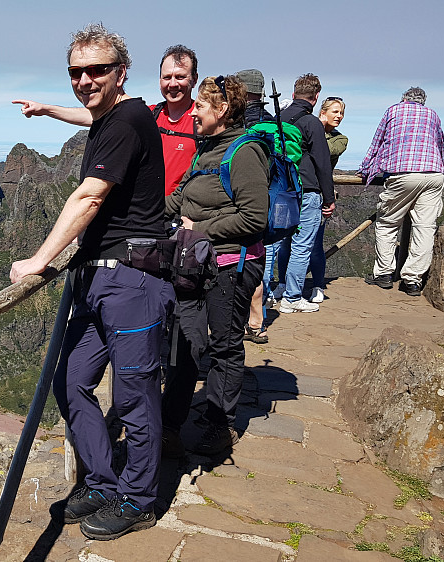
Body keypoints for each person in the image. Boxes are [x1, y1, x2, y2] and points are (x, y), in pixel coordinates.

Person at [10, 23, 175, 541]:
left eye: (97, 70)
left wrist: (38, 259)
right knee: (72, 381)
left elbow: (89, 197)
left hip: (132, 282)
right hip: (100, 281)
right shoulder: (117, 115)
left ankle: (138, 498)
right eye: (76, 72)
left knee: (133, 394)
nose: (85, 80)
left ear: (121, 72)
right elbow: (90, 114)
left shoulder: (125, 121)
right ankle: (102, 482)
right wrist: (47, 109)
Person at [162, 75, 268, 456]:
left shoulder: (244, 153)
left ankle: (220, 427)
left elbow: (255, 217)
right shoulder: (205, 151)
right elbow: (181, 200)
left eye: (202, 106)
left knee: (223, 347)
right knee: (186, 343)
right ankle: (168, 426)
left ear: (222, 110)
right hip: (195, 265)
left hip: (231, 267)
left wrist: (201, 230)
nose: (194, 112)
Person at [13, 44, 199, 196]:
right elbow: (94, 116)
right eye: (167, 77)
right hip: (152, 214)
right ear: (159, 81)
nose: (172, 84)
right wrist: (45, 109)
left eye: (180, 77)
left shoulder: (204, 121)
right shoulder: (149, 115)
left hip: (181, 216)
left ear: (194, 80)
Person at [358, 87, 444, 297]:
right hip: (434, 174)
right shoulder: (433, 114)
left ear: (404, 99)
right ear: (423, 101)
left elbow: (377, 142)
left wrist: (365, 168)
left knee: (388, 222)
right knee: (425, 227)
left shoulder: (393, 111)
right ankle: (412, 281)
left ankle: (384, 274)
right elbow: (441, 145)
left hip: (403, 173)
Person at [276, 74, 336, 313]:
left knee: (277, 243)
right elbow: (322, 162)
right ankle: (292, 298)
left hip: (281, 190)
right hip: (307, 190)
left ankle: (273, 291)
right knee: (302, 247)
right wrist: (329, 198)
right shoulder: (311, 123)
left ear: (293, 94)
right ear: (316, 96)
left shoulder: (278, 119)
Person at [235, 68, 273, 345]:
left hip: (240, 200)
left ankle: (232, 323)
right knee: (257, 259)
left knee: (235, 260)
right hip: (267, 200)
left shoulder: (239, 122)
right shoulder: (272, 123)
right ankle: (256, 323)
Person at [307, 96, 348, 303]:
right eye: (335, 112)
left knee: (315, 243)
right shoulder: (308, 129)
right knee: (287, 242)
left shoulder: (340, 139)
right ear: (323, 112)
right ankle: (283, 285)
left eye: (341, 113)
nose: (339, 116)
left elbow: (324, 150)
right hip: (300, 190)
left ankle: (317, 285)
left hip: (321, 194)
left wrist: (315, 128)